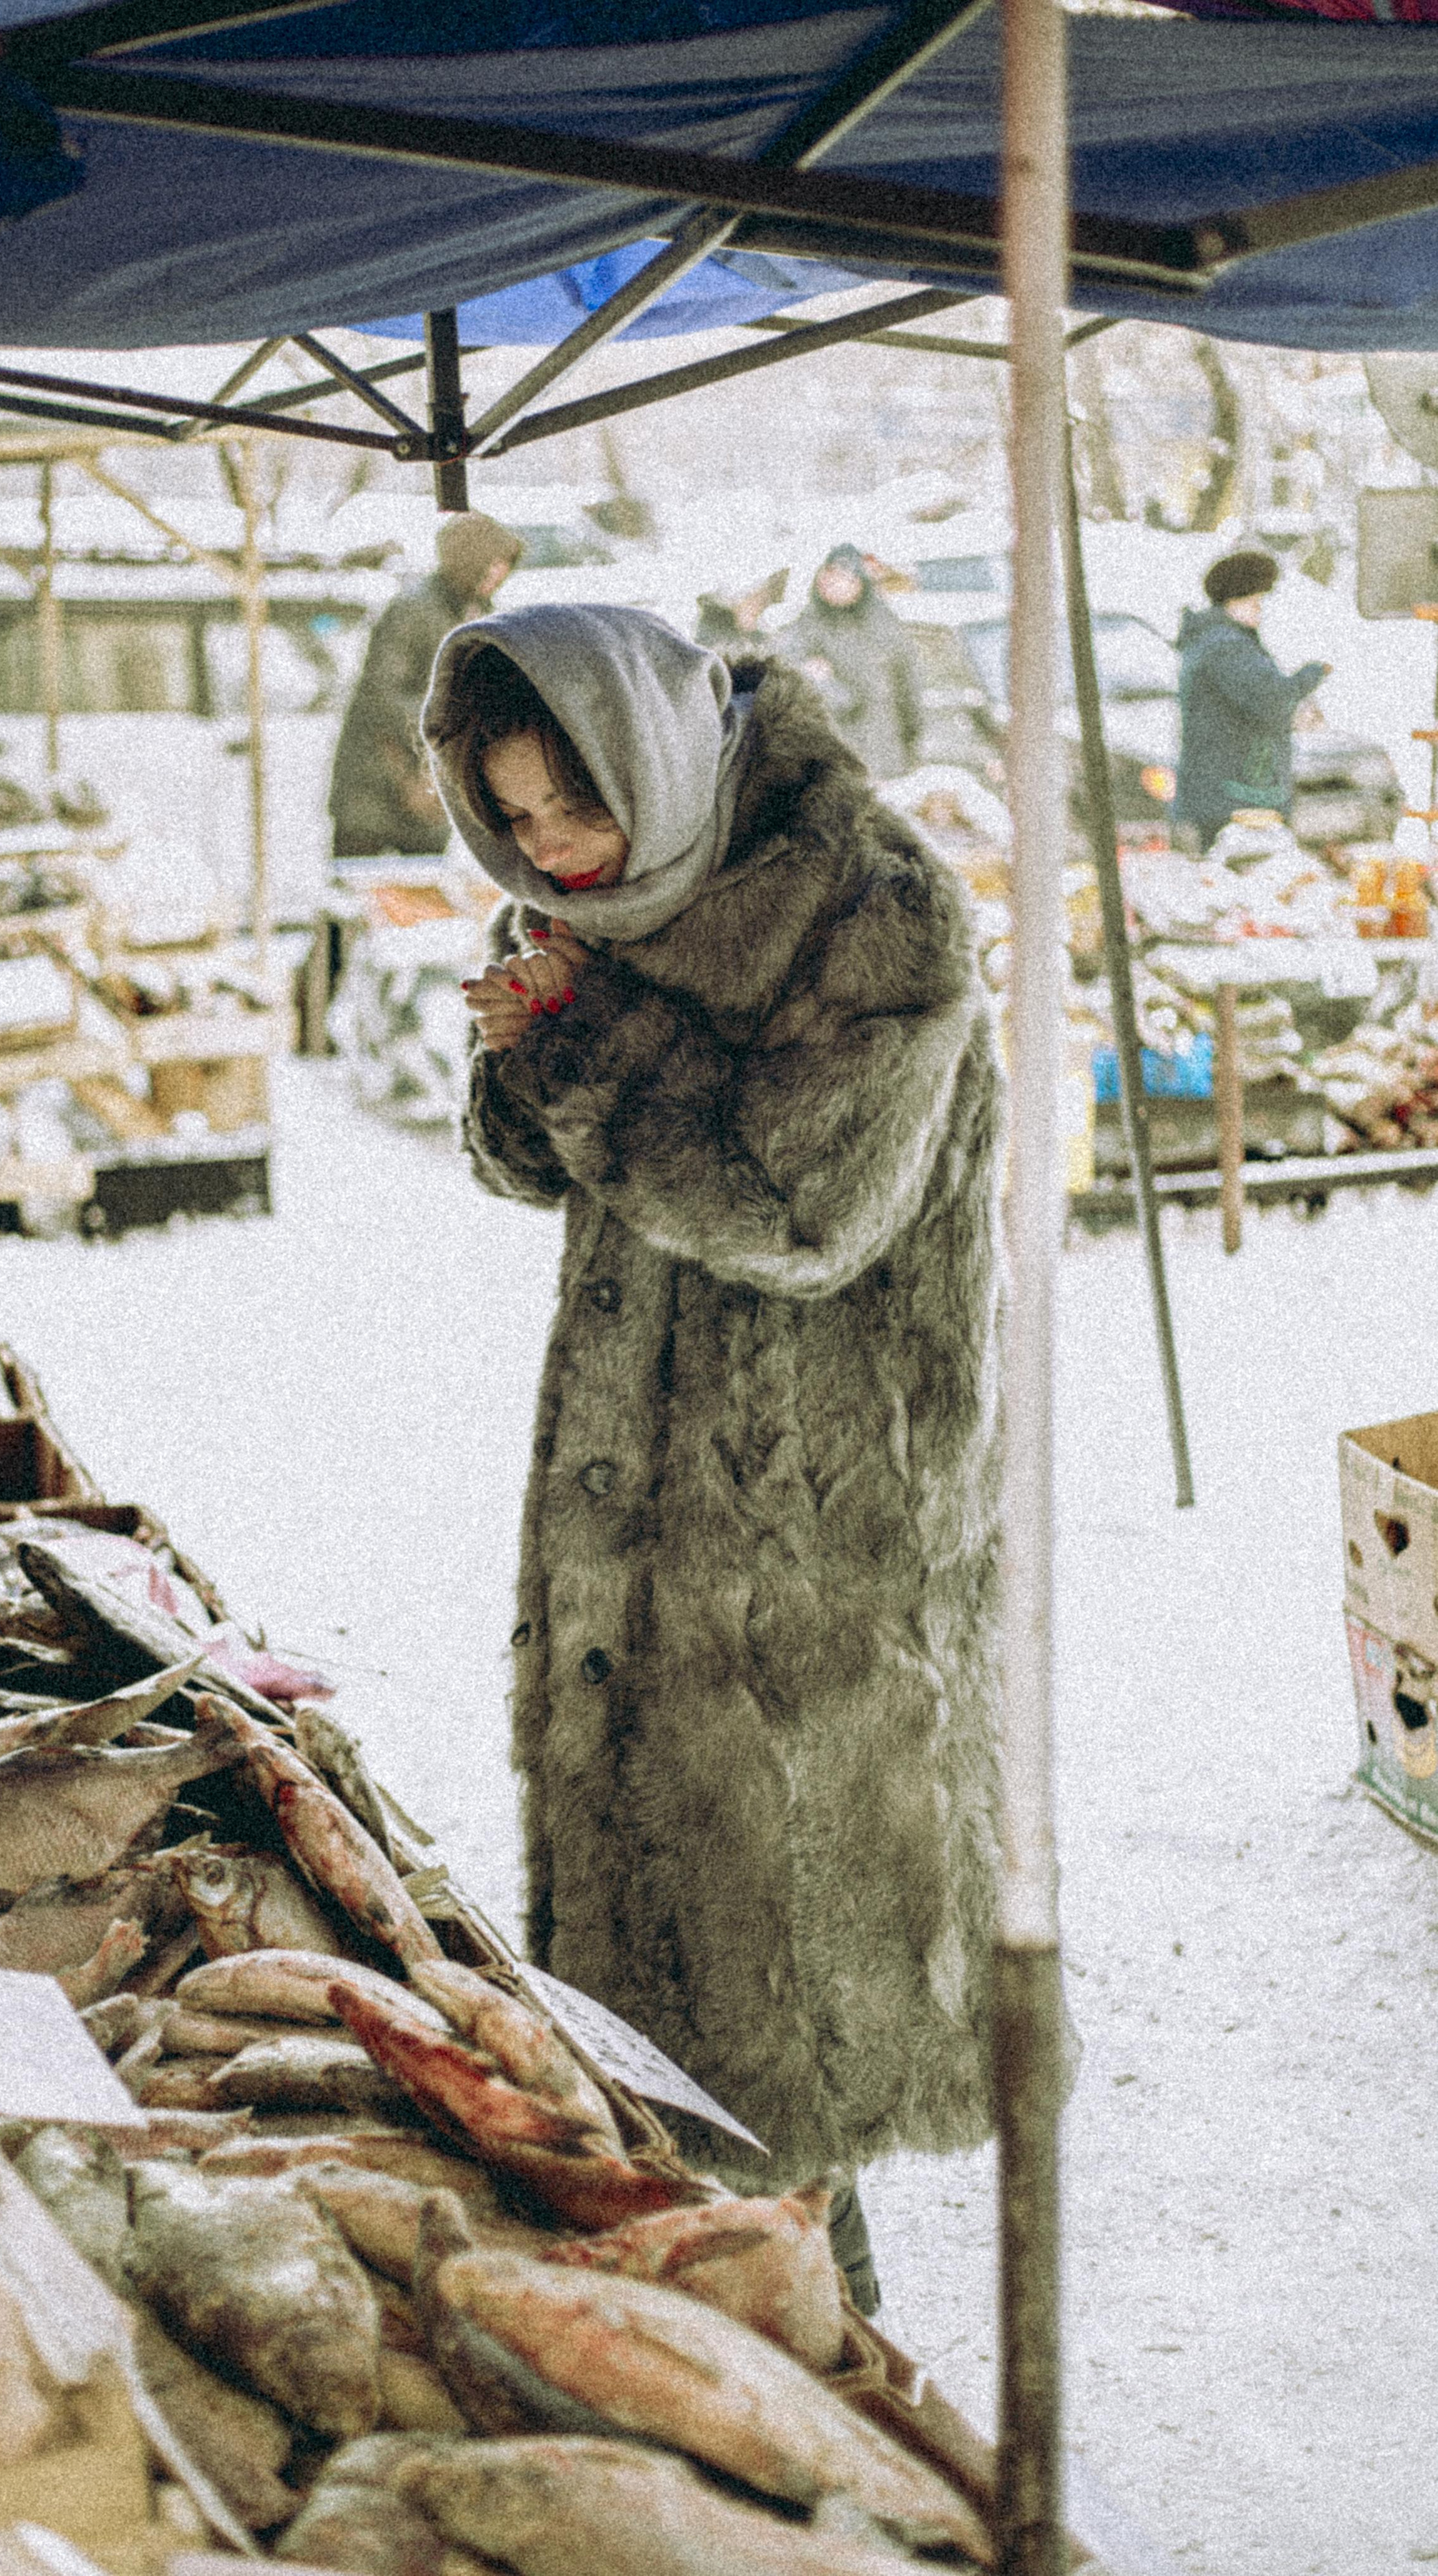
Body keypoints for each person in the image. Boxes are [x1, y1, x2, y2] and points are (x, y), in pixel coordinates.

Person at [423, 604, 1007, 2312]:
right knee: (657, 1965)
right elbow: (532, 1166)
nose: (550, 850)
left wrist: (576, 1038)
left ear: (657, 758)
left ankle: (820, 2351)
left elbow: (795, 1205)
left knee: (792, 1962)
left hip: (821, 1511)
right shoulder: (595, 897)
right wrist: (528, 1033)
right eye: (514, 821)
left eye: (571, 809)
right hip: (636, 1496)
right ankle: (759, 2304)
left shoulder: (868, 910)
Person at [329, 510, 523, 859]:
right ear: (469, 561)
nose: (500, 573)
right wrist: (447, 727)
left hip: (430, 787)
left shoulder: (476, 611)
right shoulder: (414, 610)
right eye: (492, 562)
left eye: (505, 564)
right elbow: (381, 696)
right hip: (377, 787)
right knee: (364, 891)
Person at [1174, 549, 1329, 850]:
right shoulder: (1227, 647)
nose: (1261, 609)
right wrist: (1313, 675)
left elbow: (1250, 703)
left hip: (1224, 796)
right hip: (1235, 801)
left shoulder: (1216, 642)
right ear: (1235, 600)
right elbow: (1271, 700)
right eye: (1256, 600)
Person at [783, 541, 923, 782]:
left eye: (844, 577)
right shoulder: (807, 626)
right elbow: (792, 675)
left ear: (859, 582)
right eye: (829, 575)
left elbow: (908, 689)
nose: (834, 583)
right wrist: (833, 690)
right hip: (833, 758)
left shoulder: (883, 624)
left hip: (884, 757)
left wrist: (912, 742)